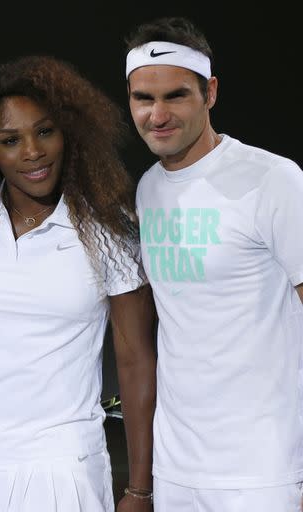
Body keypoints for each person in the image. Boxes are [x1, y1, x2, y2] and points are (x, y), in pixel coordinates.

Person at [0, 55, 157, 512]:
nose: (33, 151)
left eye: (45, 131)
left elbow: (135, 359)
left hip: (64, 460)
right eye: (11, 140)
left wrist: (140, 487)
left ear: (70, 132)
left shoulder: (110, 231)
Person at [125, 16, 303, 511]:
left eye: (176, 95)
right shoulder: (148, 188)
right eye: (143, 98)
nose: (157, 114)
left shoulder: (273, 179)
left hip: (264, 471)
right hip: (177, 469)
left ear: (211, 93)